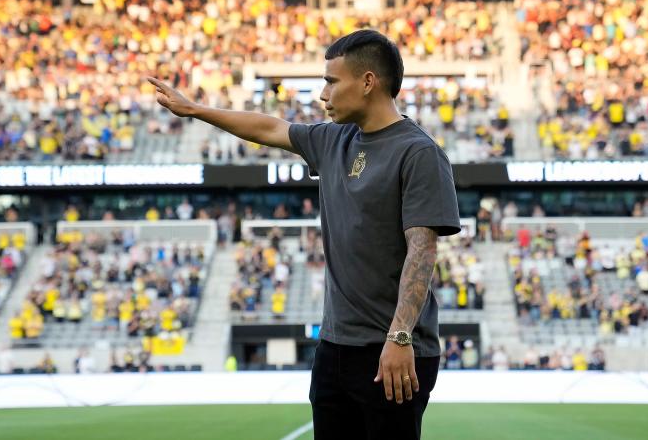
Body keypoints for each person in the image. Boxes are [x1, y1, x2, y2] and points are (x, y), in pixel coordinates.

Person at [149, 29, 461, 440]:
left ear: (368, 82)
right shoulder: (333, 140)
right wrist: (197, 110)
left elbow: (422, 252)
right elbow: (269, 129)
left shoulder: (418, 153)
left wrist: (400, 337)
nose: (323, 94)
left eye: (332, 81)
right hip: (334, 347)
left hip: (393, 348)